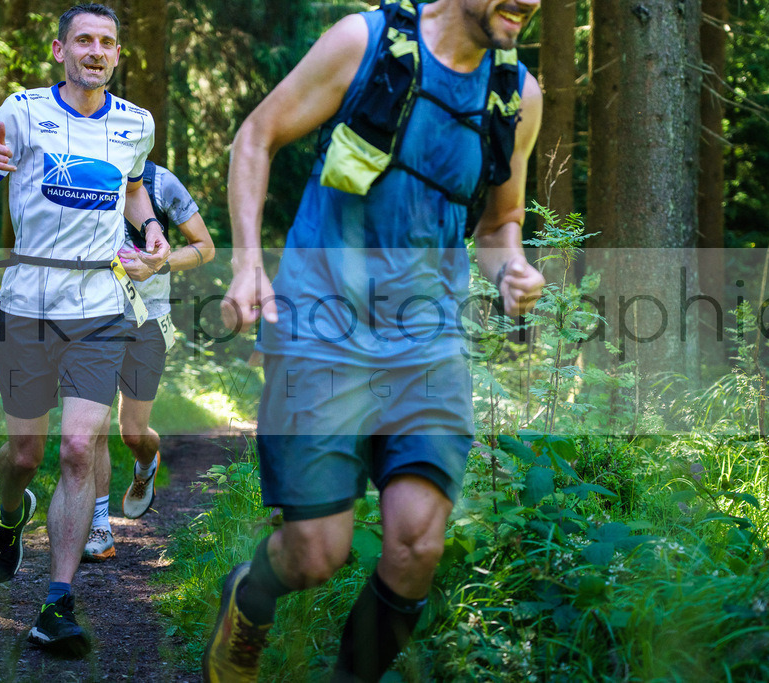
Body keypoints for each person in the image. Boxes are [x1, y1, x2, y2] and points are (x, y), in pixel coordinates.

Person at [203, 0, 545, 681]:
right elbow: (257, 136)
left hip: (429, 340)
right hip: (322, 326)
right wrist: (247, 264)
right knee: (315, 552)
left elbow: (501, 222)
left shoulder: (517, 94)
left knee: (417, 542)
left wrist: (512, 269)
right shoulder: (366, 41)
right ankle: (250, 593)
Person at [0, 3, 169, 658]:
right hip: (28, 303)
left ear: (116, 54)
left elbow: (132, 190)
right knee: (22, 456)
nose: (96, 50)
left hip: (102, 305)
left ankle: (57, 602)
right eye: (84, 40)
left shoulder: (136, 123)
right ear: (60, 50)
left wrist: (152, 228)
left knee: (79, 447)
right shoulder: (18, 113)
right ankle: (11, 515)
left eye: (107, 41)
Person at [82, 160, 215, 562]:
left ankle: (147, 462)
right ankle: (100, 527)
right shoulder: (82, 168)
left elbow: (205, 247)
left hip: (147, 320)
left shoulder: (160, 182)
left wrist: (160, 262)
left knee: (131, 432)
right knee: (93, 427)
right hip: (92, 318)